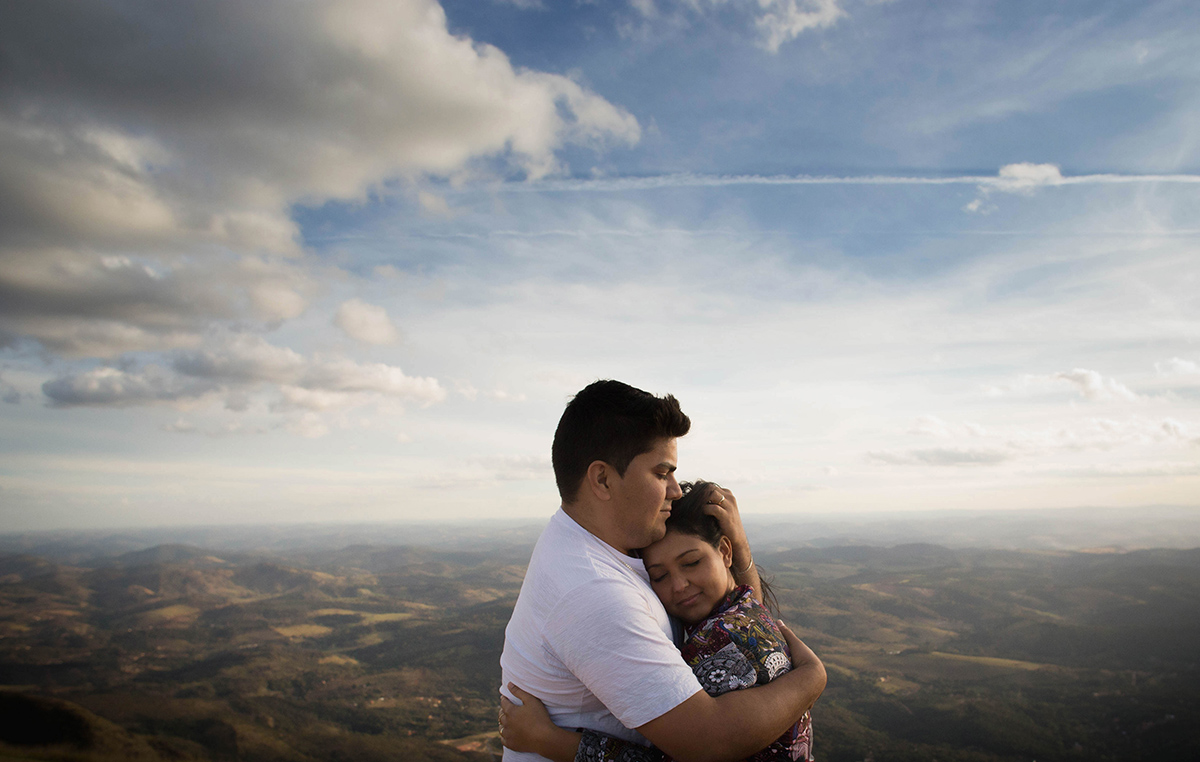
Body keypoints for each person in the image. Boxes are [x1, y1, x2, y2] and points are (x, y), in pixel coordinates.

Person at [499, 380, 825, 762]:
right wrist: (811, 677)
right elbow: (709, 742)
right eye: (661, 473)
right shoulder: (595, 591)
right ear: (602, 479)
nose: (675, 490)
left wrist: (738, 551)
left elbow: (739, 625)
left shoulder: (606, 545)